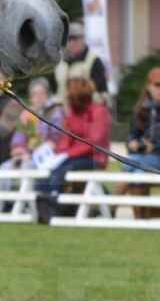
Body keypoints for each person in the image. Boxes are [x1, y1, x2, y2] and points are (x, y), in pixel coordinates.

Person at [35, 76, 110, 223]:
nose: (69, 102)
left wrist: (67, 154)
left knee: (62, 170)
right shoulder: (73, 114)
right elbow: (65, 138)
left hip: (95, 158)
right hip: (73, 158)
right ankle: (42, 204)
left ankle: (54, 206)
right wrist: (59, 153)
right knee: (49, 170)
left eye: (71, 98)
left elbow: (93, 142)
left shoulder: (98, 112)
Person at [123, 66, 160, 171]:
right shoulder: (141, 108)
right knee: (131, 166)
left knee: (135, 169)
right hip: (142, 155)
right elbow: (133, 134)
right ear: (149, 87)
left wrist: (154, 146)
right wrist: (132, 142)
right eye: (156, 85)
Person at [7, 77, 64, 169]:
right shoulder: (26, 115)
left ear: (48, 95)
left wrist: (32, 154)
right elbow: (18, 138)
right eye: (35, 94)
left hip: (46, 157)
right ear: (30, 98)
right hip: (26, 155)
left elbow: (56, 138)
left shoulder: (55, 112)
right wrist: (20, 153)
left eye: (42, 93)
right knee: (5, 167)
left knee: (26, 167)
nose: (39, 97)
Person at [52, 22, 110, 107]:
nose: (71, 43)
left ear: (83, 39)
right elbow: (58, 90)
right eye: (69, 39)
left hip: (88, 112)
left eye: (75, 39)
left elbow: (102, 92)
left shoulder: (94, 60)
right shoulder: (60, 62)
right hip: (64, 113)